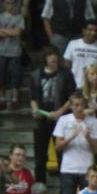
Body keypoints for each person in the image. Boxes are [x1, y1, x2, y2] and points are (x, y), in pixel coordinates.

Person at [29, 46, 76, 183]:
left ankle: (64, 187)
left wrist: (60, 112)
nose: (53, 58)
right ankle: (40, 185)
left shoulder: (66, 74)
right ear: (45, 58)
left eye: (55, 55)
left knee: (62, 156)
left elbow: (72, 97)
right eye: (50, 55)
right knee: (40, 156)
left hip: (61, 119)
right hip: (41, 120)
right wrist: (35, 110)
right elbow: (32, 98)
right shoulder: (36, 75)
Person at [53, 92, 97, 194]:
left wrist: (88, 138)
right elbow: (58, 147)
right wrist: (70, 138)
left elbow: (96, 150)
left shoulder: (93, 122)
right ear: (71, 106)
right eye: (76, 105)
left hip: (86, 170)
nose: (79, 108)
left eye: (81, 105)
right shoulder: (63, 120)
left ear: (85, 105)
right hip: (68, 169)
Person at [63, 20, 97, 90]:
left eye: (95, 30)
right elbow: (66, 65)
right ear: (84, 30)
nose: (93, 33)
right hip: (74, 86)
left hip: (93, 87)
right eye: (90, 30)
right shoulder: (73, 44)